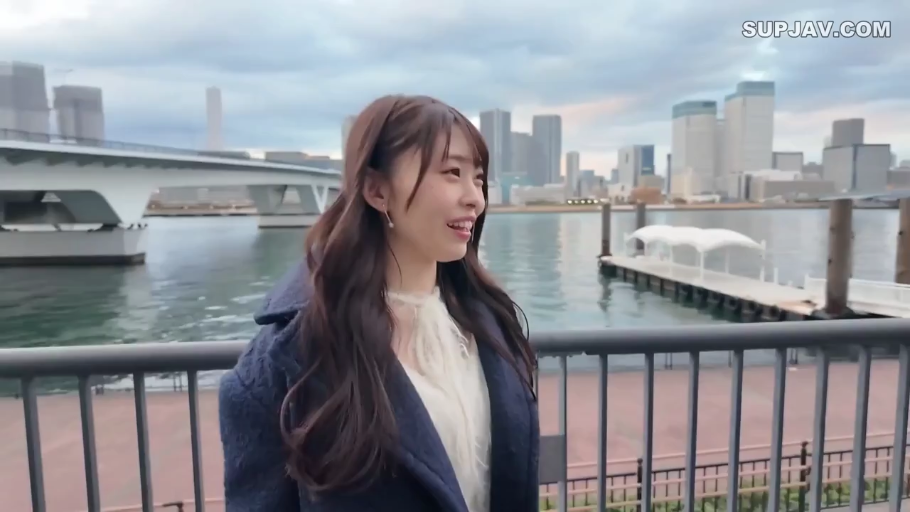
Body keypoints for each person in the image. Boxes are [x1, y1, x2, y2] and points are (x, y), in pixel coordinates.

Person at [218, 94, 539, 512]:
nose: (475, 198)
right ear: (376, 190)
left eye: (478, 179)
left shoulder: (492, 324)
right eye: (452, 173)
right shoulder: (287, 362)